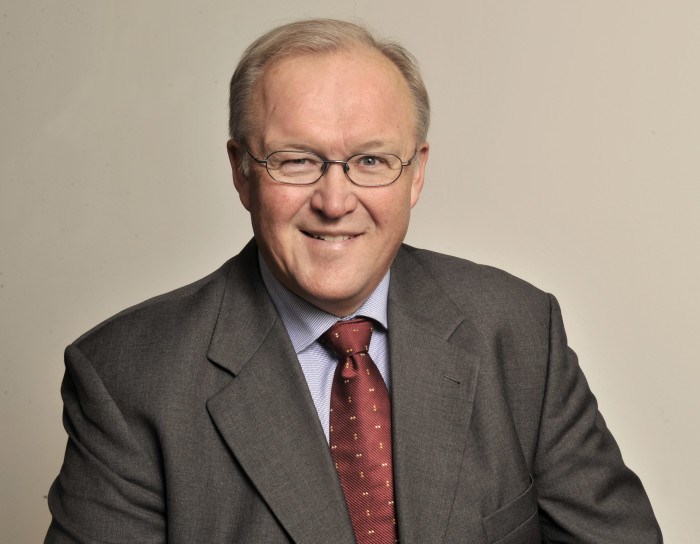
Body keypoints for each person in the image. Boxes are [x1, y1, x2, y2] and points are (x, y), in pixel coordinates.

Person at [45, 18, 662, 544]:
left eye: (371, 160)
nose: (335, 201)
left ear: (416, 174)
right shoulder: (129, 378)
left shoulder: (519, 330)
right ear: (241, 172)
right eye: (296, 160)